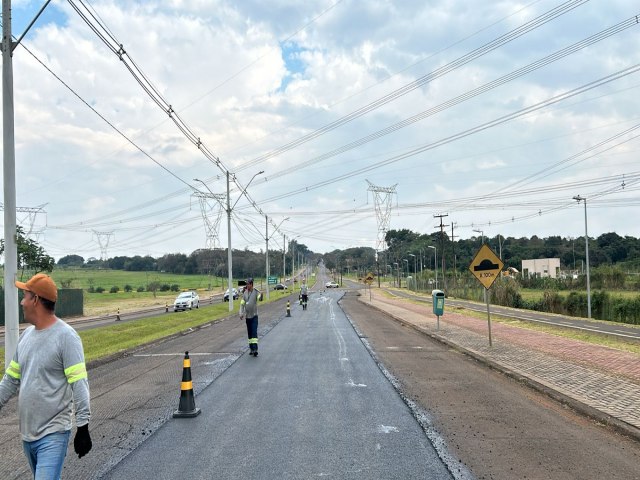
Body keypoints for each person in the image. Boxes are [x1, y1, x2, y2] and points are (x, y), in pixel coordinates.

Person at [0, 273, 92, 479]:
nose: (22, 302)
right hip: (28, 434)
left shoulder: (67, 338)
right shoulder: (26, 337)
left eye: (25, 296)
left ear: (36, 300)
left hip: (54, 433)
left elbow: (79, 383)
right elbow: (10, 380)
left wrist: (83, 426)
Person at [239, 278, 260, 357]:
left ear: (251, 284)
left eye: (248, 284)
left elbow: (259, 298)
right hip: (248, 317)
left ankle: (255, 349)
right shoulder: (245, 293)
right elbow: (242, 304)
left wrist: (261, 295)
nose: (247, 285)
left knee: (254, 332)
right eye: (246, 284)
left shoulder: (255, 292)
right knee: (250, 333)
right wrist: (241, 313)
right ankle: (251, 348)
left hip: (254, 316)